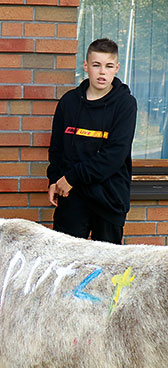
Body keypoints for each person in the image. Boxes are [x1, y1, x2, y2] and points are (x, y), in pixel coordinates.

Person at [47, 38, 137, 244]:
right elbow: (57, 148)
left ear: (117, 68)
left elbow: (114, 155)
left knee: (107, 268)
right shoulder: (69, 102)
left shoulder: (125, 104)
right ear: (86, 66)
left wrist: (71, 178)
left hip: (109, 199)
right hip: (72, 198)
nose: (102, 72)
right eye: (96, 65)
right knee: (66, 262)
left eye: (108, 66)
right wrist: (54, 179)